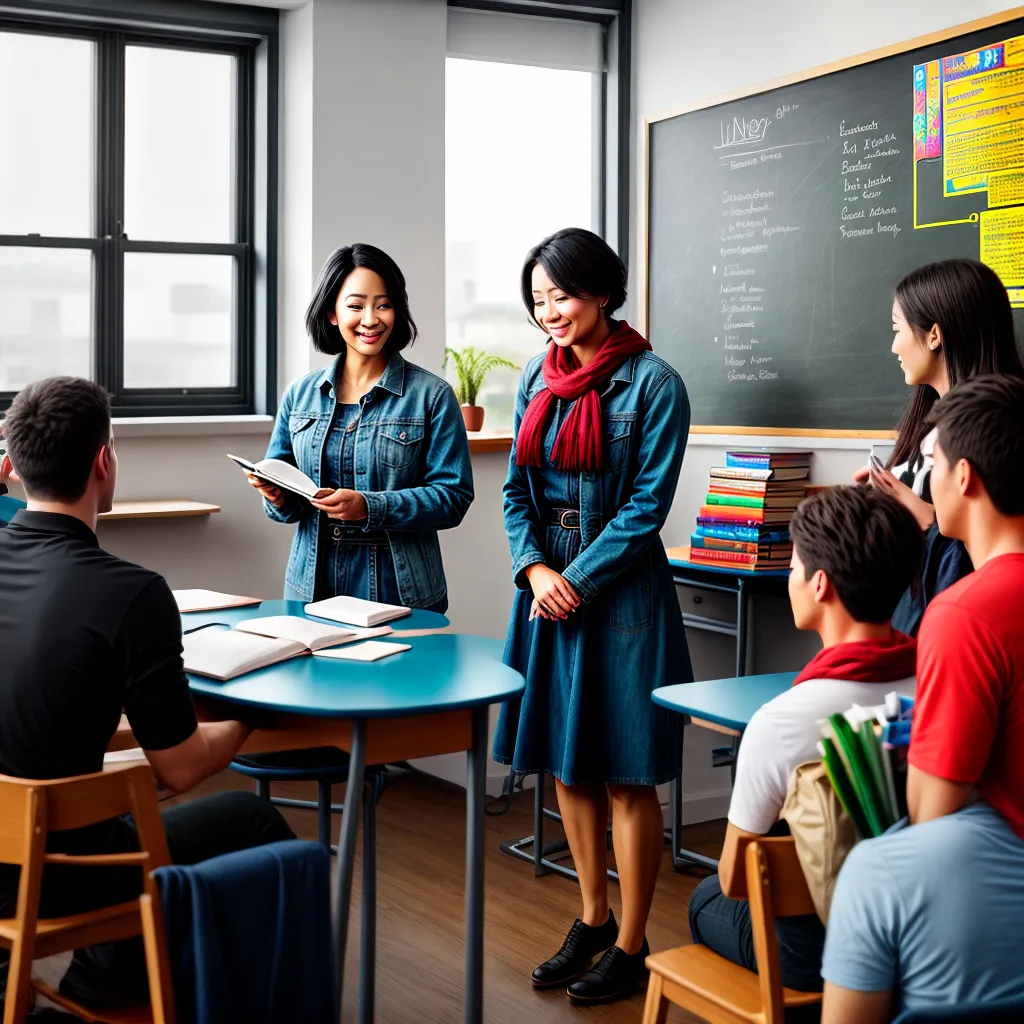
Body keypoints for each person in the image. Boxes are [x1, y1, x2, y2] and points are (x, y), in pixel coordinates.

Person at [0, 377, 295, 1006]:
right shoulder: (130, 592)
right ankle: (111, 992)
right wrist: (251, 716)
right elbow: (182, 766)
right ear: (104, 462)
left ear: (11, 466)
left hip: (11, 842)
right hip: (48, 873)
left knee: (115, 805)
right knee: (251, 816)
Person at [493, 227, 693, 1005]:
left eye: (563, 296)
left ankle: (634, 943)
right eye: (539, 300)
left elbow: (646, 510)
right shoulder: (534, 382)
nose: (551, 312)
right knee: (565, 766)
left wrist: (572, 577)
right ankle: (592, 917)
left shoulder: (654, 384)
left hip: (623, 600)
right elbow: (516, 491)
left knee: (625, 775)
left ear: (603, 292)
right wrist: (536, 568)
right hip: (548, 593)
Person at [822, 375, 1024, 1023]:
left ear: (964, 478)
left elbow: (933, 809)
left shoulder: (965, 611)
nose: (925, 480)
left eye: (931, 464)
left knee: (871, 871)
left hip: (996, 867)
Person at [687, 486, 921, 992]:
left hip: (813, 954)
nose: (790, 578)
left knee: (705, 896)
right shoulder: (939, 686)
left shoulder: (782, 721)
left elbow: (734, 880)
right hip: (922, 936)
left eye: (792, 567)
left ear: (820, 585)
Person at [250, 242, 473, 610]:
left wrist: (370, 507)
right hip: (311, 587)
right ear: (332, 313)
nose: (370, 319)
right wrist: (275, 495)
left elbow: (453, 498)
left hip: (398, 589)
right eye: (355, 306)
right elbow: (286, 505)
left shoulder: (432, 395)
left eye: (383, 305)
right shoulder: (300, 395)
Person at [854, 258, 1024, 635]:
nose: (894, 345)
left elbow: (998, 553)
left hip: (956, 628)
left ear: (934, 335)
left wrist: (924, 516)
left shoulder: (997, 430)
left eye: (898, 328)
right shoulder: (927, 424)